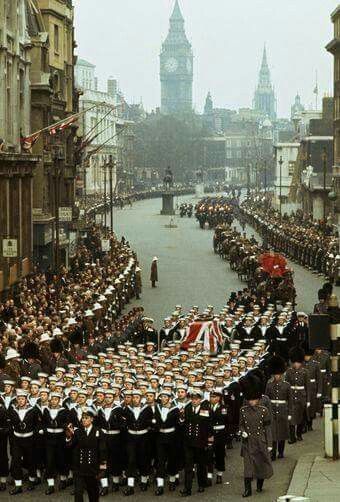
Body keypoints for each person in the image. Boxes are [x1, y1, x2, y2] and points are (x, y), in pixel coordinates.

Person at [239, 376, 273, 498]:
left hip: (260, 441)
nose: (251, 402)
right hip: (248, 442)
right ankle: (247, 489)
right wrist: (242, 432)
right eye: (250, 400)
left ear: (258, 399)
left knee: (260, 464)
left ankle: (259, 484)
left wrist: (269, 444)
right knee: (247, 467)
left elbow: (268, 428)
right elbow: (241, 425)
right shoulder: (243, 410)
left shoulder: (264, 411)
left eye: (254, 400)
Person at [66, 408, 107, 502]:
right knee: (78, 492)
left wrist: (102, 468)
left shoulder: (98, 431)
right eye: (82, 418)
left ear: (91, 419)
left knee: (93, 493)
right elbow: (70, 446)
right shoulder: (78, 432)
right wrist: (68, 437)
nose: (83, 420)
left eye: (86, 418)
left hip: (92, 468)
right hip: (79, 467)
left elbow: (103, 450)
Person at [180, 390, 213, 496]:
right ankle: (187, 488)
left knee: (201, 465)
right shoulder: (187, 408)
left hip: (200, 441)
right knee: (188, 466)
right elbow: (183, 423)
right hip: (189, 441)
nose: (194, 401)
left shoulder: (205, 409)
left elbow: (209, 425)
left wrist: (209, 440)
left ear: (200, 399)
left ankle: (201, 484)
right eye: (192, 399)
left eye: (196, 399)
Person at [265, 355, 292, 460]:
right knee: (273, 433)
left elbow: (290, 400)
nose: (277, 376)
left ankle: (281, 452)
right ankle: (273, 453)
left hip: (282, 411)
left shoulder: (287, 385)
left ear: (281, 374)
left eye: (278, 374)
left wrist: (289, 413)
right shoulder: (269, 384)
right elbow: (266, 399)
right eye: (275, 374)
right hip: (272, 410)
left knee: (281, 433)